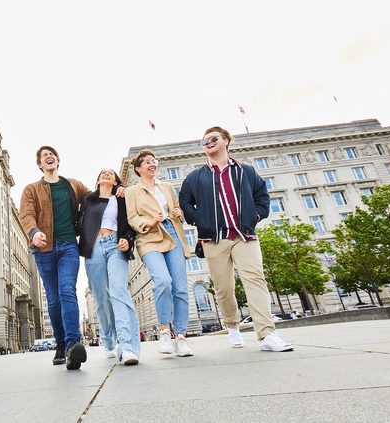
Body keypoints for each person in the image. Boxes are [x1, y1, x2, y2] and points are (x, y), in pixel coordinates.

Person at [178, 126, 293, 352]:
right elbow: (184, 201)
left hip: (244, 235)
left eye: (213, 138)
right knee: (224, 288)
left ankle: (267, 334)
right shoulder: (195, 177)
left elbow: (262, 195)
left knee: (255, 279)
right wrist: (198, 219)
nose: (208, 143)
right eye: (204, 141)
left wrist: (257, 215)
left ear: (226, 141)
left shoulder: (245, 171)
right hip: (213, 239)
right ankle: (232, 326)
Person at [19, 146, 92, 370]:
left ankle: (73, 344)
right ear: (40, 164)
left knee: (67, 290)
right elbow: (27, 214)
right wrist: (34, 232)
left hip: (69, 244)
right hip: (44, 249)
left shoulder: (72, 184)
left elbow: (94, 199)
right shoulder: (31, 189)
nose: (49, 157)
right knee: (53, 298)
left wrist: (115, 189)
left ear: (58, 161)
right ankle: (60, 344)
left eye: (52, 155)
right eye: (44, 156)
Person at [125, 149, 194, 357]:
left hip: (172, 234)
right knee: (163, 281)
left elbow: (176, 211)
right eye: (147, 162)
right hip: (149, 237)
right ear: (138, 169)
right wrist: (149, 222)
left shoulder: (167, 186)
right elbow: (132, 217)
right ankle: (165, 330)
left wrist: (178, 214)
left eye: (153, 161)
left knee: (181, 287)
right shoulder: (132, 192)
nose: (152, 164)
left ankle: (180, 337)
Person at [77, 169, 141, 365]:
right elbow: (78, 223)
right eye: (102, 173)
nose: (106, 174)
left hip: (115, 245)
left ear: (115, 181)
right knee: (101, 298)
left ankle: (127, 346)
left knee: (118, 291)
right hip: (94, 247)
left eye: (110, 173)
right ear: (98, 180)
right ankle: (108, 340)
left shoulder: (122, 197)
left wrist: (127, 239)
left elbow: (130, 222)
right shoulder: (88, 199)